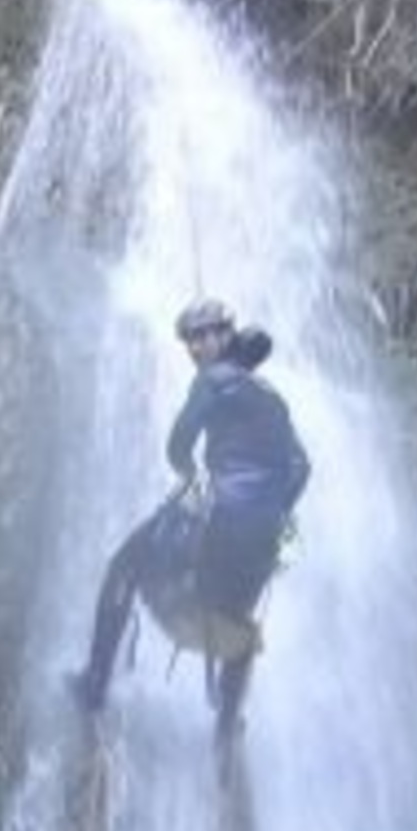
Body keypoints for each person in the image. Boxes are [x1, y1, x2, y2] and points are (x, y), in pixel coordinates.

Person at [70, 297, 312, 732]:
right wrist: (273, 511)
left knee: (124, 568)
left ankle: (94, 685)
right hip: (268, 536)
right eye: (191, 339)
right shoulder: (272, 397)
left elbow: (178, 444)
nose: (198, 347)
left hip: (222, 520)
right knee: (237, 620)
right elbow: (301, 467)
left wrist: (190, 473)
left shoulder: (213, 380)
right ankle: (227, 722)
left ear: (226, 335)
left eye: (207, 334)